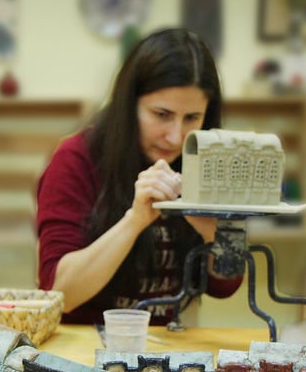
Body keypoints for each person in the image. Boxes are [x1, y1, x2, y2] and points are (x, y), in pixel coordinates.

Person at [35, 28, 242, 325]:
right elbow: (60, 293)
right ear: (129, 104)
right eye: (161, 115)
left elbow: (225, 286)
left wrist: (217, 234)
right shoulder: (77, 158)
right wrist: (134, 221)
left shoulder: (202, 159)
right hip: (83, 350)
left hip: (165, 352)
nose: (175, 137)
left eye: (192, 119)